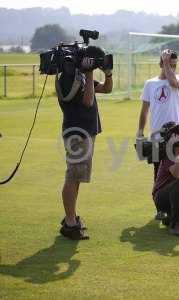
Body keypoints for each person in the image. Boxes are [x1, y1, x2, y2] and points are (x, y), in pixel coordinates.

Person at [57, 46, 113, 240]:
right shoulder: (69, 78)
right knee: (72, 176)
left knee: (77, 176)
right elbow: (88, 101)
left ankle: (70, 217)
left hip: (86, 133)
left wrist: (108, 73)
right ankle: (70, 223)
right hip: (77, 133)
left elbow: (107, 88)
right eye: (95, 61)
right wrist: (89, 74)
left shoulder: (80, 76)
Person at [137, 49, 179, 218]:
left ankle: (176, 208)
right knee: (158, 175)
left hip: (176, 136)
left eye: (174, 65)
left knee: (177, 172)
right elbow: (144, 111)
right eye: (169, 64)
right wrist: (140, 133)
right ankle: (160, 209)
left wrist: (167, 64)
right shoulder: (150, 84)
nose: (173, 68)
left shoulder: (178, 79)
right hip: (156, 136)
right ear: (160, 63)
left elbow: (172, 82)